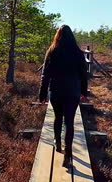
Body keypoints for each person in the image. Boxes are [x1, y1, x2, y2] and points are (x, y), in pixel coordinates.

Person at [38, 25, 89, 168]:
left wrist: (42, 94)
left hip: (56, 91)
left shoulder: (52, 51)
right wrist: (83, 92)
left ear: (58, 36)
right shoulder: (78, 53)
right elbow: (83, 74)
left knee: (58, 117)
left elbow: (45, 74)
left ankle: (57, 143)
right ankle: (68, 154)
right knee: (69, 122)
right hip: (73, 91)